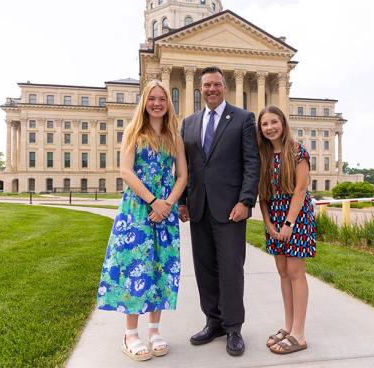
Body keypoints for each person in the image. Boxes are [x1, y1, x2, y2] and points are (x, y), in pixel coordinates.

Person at [96, 80, 187, 362]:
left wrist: (168, 204)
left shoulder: (174, 136)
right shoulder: (134, 132)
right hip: (138, 209)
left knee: (161, 267)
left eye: (162, 98)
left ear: (168, 103)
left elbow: (182, 175)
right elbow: (126, 171)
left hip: (165, 211)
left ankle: (155, 330)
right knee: (135, 267)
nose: (157, 103)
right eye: (152, 98)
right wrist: (153, 201)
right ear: (144, 102)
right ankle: (130, 334)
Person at [178, 66, 260, 356]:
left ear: (224, 87)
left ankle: (234, 327)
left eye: (215, 84)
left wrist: (246, 201)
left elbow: (252, 163)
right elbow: (184, 167)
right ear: (200, 89)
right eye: (206, 86)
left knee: (230, 269)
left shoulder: (243, 119)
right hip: (199, 208)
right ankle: (213, 321)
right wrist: (182, 201)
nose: (211, 89)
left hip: (231, 210)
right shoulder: (188, 123)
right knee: (204, 269)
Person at [257, 105, 316, 355]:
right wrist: (269, 224)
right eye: (264, 124)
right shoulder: (264, 155)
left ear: (283, 123)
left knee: (295, 272)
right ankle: (289, 327)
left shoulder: (297, 152)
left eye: (274, 122)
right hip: (275, 216)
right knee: (282, 272)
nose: (270, 127)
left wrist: (289, 223)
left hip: (296, 216)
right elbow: (263, 195)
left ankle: (299, 334)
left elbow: (300, 190)